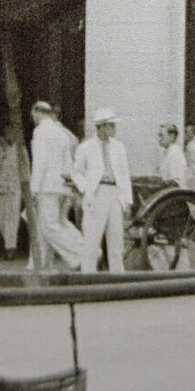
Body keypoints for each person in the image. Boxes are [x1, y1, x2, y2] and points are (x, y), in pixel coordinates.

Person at [70, 108, 133, 273]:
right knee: (91, 238)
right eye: (112, 125)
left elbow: (124, 174)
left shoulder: (119, 147)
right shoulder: (86, 147)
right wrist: (86, 188)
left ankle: (118, 279)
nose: (114, 129)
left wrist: (126, 200)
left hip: (114, 194)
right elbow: (76, 172)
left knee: (116, 241)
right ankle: (88, 278)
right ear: (102, 126)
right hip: (96, 194)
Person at [27, 101, 81, 270]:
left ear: (37, 112)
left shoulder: (41, 131)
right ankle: (41, 264)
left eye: (33, 115)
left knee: (50, 227)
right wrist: (69, 186)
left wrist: (34, 188)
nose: (33, 119)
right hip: (62, 186)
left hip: (47, 187)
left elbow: (40, 162)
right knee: (54, 224)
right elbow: (68, 161)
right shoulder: (62, 132)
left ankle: (83, 252)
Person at [0, 126, 30, 260]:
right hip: (0, 188)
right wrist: (1, 149)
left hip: (15, 188)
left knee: (12, 219)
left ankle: (10, 248)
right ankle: (9, 243)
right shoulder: (0, 148)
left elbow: (26, 169)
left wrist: (27, 190)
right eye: (7, 133)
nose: (9, 135)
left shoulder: (21, 150)